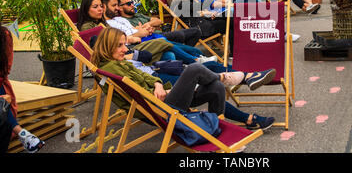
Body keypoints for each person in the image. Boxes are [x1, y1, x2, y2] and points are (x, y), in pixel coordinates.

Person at [91, 27, 275, 129]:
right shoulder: (111, 67)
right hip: (158, 107)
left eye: (125, 44)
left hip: (162, 95)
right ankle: (238, 77)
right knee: (195, 69)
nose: (125, 49)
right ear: (107, 46)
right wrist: (159, 88)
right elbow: (136, 92)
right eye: (120, 45)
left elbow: (142, 76)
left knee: (215, 88)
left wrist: (156, 84)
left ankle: (218, 128)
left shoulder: (119, 63)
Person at [98, 0, 217, 64]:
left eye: (132, 2)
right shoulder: (108, 25)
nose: (117, 8)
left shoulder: (120, 19)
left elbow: (158, 21)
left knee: (193, 44)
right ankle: (195, 61)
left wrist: (147, 27)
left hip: (150, 36)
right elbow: (127, 39)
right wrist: (140, 33)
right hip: (143, 42)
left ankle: (194, 60)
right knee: (167, 44)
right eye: (115, 6)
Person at [0, 22, 45, 153]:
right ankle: (23, 134)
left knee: (2, 104)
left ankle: (23, 135)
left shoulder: (4, 34)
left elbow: (5, 68)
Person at [117, 0, 202, 47]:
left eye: (132, 2)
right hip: (153, 39)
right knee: (183, 35)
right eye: (128, 4)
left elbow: (159, 21)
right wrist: (146, 28)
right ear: (120, 8)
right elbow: (135, 33)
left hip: (161, 34)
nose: (132, 5)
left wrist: (149, 24)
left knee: (195, 32)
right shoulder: (123, 21)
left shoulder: (138, 15)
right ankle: (192, 58)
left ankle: (190, 57)